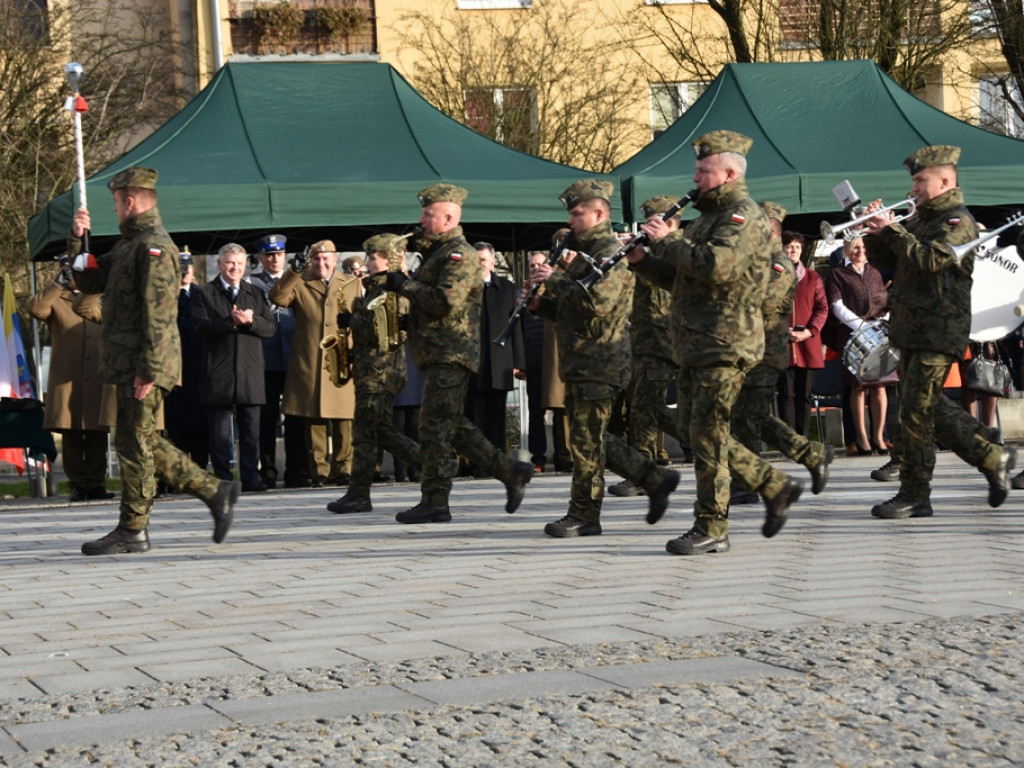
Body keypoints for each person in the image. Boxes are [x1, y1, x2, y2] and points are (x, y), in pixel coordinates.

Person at [628, 131, 802, 555]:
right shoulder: (707, 218)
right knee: (701, 431)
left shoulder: (742, 216)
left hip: (725, 342)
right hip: (698, 342)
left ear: (728, 173)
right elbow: (684, 279)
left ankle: (712, 525)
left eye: (703, 170)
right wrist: (644, 261)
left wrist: (667, 241)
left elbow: (717, 268)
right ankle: (773, 484)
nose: (696, 176)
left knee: (707, 435)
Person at [69, 166, 239, 555]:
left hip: (143, 364)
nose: (113, 209)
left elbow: (159, 314)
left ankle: (133, 528)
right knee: (137, 439)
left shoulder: (154, 247)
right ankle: (214, 491)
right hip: (130, 362)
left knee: (134, 444)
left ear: (129, 201)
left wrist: (149, 369)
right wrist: (77, 241)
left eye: (114, 202)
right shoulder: (130, 246)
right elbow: (90, 282)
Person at [861, 144, 1015, 518]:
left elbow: (933, 260)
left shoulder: (956, 221)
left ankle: (916, 493)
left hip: (939, 327)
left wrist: (895, 231)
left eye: (920, 180)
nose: (913, 187)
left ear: (945, 180)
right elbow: (887, 261)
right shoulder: (919, 219)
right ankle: (990, 451)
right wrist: (874, 230)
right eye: (913, 180)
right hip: (912, 327)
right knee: (923, 407)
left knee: (916, 410)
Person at [527, 180, 679, 538]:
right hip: (581, 361)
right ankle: (652, 477)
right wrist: (541, 305)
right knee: (588, 437)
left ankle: (584, 513)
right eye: (570, 213)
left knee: (585, 443)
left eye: (578, 213)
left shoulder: (611, 252)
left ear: (599, 214)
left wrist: (554, 281)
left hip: (602, 360)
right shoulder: (583, 256)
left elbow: (599, 304)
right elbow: (574, 311)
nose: (571, 219)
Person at [381, 183, 533, 524]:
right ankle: (510, 472)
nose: (421, 219)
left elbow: (445, 301)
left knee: (433, 427)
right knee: (451, 423)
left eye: (428, 214)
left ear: (448, 218)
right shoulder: (437, 253)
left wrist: (404, 283)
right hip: (438, 352)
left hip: (451, 353)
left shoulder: (459, 255)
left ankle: (435, 500)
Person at [730, 201, 834, 505]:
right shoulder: (758, 261)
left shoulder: (777, 266)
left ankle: (761, 479)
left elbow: (757, 304)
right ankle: (770, 474)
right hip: (751, 350)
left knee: (750, 417)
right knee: (747, 418)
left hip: (764, 351)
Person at [328, 234, 421, 514]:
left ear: (387, 259)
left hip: (382, 370)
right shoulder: (373, 287)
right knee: (368, 433)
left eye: (372, 257)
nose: (367, 263)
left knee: (371, 430)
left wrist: (352, 321)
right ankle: (358, 494)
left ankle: (430, 461)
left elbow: (387, 332)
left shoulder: (392, 289)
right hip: (371, 368)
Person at [608, 195, 689, 498]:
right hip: (647, 338)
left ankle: (644, 471)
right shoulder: (657, 248)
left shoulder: (675, 249)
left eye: (651, 220)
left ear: (667, 222)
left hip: (663, 339)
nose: (644, 227)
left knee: (645, 407)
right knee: (644, 407)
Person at [269, 240, 360, 487]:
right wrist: (294, 271)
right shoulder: (301, 282)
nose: (321, 263)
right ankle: (319, 470)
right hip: (310, 360)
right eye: (316, 259)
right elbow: (277, 297)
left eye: (326, 258)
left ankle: (344, 469)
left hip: (341, 360)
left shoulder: (351, 283)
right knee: (314, 418)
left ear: (335, 259)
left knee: (344, 419)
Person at [191, 243, 277, 492]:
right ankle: (223, 479)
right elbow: (201, 328)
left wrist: (250, 321)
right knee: (219, 434)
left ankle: (251, 478)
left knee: (251, 432)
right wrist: (231, 322)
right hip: (219, 371)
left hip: (249, 371)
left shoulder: (255, 293)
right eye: (230, 263)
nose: (235, 268)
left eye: (239, 264)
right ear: (219, 264)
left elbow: (269, 328)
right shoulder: (204, 293)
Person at [27, 263, 116, 502]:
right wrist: (57, 285)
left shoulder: (102, 295)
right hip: (69, 375)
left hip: (98, 371)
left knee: (98, 430)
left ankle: (96, 483)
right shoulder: (58, 298)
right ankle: (78, 484)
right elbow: (35, 309)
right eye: (71, 272)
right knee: (72, 431)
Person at [249, 234, 309, 488]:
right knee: (266, 419)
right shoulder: (251, 283)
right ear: (261, 258)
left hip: (295, 356)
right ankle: (268, 472)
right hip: (266, 358)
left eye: (279, 255)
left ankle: (298, 470)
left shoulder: (301, 279)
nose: (274, 259)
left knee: (297, 416)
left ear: (285, 256)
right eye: (269, 255)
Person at [824, 236, 891, 455]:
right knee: (858, 386)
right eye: (855, 248)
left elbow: (883, 301)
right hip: (851, 334)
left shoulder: (874, 273)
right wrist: (861, 325)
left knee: (880, 385)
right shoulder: (837, 274)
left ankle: (879, 437)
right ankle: (862, 439)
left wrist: (882, 320)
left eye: (863, 247)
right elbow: (836, 306)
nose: (860, 251)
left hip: (877, 333)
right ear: (847, 250)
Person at [464, 241, 524, 457]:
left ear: (492, 261)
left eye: (483, 260)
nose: (479, 264)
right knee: (474, 415)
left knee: (497, 415)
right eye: (475, 260)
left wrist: (519, 363)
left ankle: (497, 458)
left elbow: (516, 325)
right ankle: (478, 460)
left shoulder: (506, 288)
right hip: (472, 362)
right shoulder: (464, 287)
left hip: (500, 363)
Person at [162, 249, 209, 476]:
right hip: (174, 369)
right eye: (180, 268)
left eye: (188, 267)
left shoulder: (202, 294)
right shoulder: (165, 297)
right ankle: (179, 475)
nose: (185, 272)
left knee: (201, 425)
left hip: (199, 368)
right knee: (177, 425)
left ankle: (200, 470)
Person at [778, 230, 828, 437]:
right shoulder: (773, 276)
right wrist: (781, 330)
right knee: (786, 394)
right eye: (789, 246)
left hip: (807, 343)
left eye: (797, 247)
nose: (793, 250)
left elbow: (822, 307)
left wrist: (809, 331)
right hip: (781, 343)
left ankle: (803, 439)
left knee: (804, 395)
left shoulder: (813, 277)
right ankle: (789, 440)